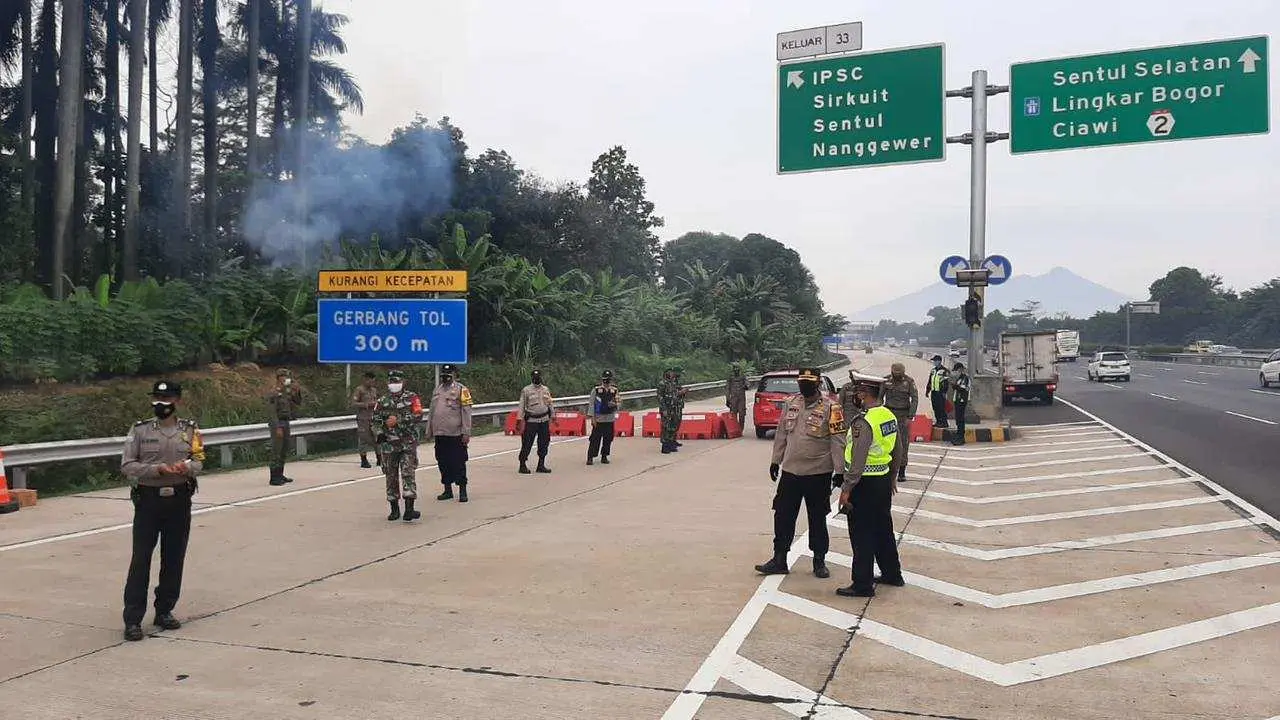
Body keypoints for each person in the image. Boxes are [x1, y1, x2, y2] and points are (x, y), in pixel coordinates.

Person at [119, 380, 205, 641]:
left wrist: (186, 468)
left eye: (166, 399)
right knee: (141, 559)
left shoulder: (189, 429)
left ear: (177, 401)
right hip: (149, 501)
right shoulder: (140, 430)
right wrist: (156, 470)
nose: (161, 403)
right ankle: (133, 619)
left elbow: (199, 460)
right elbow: (127, 465)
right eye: (157, 398)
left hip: (179, 500)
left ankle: (164, 610)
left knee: (174, 557)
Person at [754, 368, 846, 579]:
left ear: (817, 384)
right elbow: (781, 433)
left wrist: (839, 471)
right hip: (791, 471)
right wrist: (775, 460)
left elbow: (838, 441)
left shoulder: (832, 408)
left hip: (818, 473)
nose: (804, 386)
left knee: (817, 518)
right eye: (802, 382)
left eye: (808, 383)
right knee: (783, 515)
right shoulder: (791, 403)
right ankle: (779, 558)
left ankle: (819, 560)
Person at [836, 372, 904, 598]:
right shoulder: (888, 416)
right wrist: (892, 477)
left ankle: (862, 584)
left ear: (865, 394)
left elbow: (858, 458)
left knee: (861, 533)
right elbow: (898, 449)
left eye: (858, 392)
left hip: (863, 484)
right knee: (883, 529)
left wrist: (846, 488)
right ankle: (892, 574)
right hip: (882, 481)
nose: (855, 396)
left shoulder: (863, 422)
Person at [373, 370, 425, 521]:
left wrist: (399, 420)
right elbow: (375, 421)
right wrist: (379, 433)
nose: (394, 385)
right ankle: (394, 509)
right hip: (389, 445)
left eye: (396, 382)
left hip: (407, 443)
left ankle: (409, 509)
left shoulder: (412, 397)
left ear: (403, 382)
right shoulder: (382, 401)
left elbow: (418, 415)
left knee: (408, 473)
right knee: (391, 476)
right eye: (391, 382)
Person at [429, 364, 473, 502]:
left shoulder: (462, 390)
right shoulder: (437, 390)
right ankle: (447, 489)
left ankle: (462, 490)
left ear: (454, 375)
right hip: (440, 433)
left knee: (458, 462)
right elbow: (432, 411)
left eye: (449, 374)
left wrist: (466, 432)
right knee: (443, 461)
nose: (446, 376)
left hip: (456, 434)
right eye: (444, 374)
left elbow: (466, 412)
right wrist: (429, 430)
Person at [265, 367, 303, 486]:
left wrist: (297, 391)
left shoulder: (286, 392)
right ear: (279, 378)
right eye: (284, 377)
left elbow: (297, 402)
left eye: (287, 377)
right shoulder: (274, 393)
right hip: (278, 423)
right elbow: (272, 412)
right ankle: (274, 477)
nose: (286, 379)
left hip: (286, 422)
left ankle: (280, 474)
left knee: (284, 449)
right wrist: (277, 427)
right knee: (277, 449)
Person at [882, 362, 919, 482]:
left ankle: (902, 472)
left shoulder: (909, 382)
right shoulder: (886, 380)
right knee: (887, 442)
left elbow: (914, 399)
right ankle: (887, 469)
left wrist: (910, 416)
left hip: (903, 415)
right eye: (895, 373)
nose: (897, 375)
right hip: (888, 414)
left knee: (903, 443)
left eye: (899, 373)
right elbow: (879, 397)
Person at [517, 369, 553, 474]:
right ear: (532, 378)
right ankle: (522, 465)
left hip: (544, 420)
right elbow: (521, 406)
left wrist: (553, 415)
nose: (537, 379)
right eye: (535, 377)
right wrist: (519, 420)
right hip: (531, 421)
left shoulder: (545, 389)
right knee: (527, 443)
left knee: (544, 443)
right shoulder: (526, 390)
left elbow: (550, 403)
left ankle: (541, 465)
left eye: (538, 377)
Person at [587, 370, 620, 465]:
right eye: (605, 379)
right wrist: (592, 418)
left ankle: (604, 456)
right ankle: (590, 457)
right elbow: (591, 404)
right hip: (599, 419)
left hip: (609, 418)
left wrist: (614, 404)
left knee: (608, 438)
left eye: (608, 379)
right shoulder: (596, 390)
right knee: (595, 439)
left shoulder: (614, 390)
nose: (607, 381)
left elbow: (619, 403)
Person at [351, 371, 381, 469]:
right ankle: (364, 460)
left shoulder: (374, 390)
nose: (372, 383)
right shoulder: (359, 390)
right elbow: (354, 403)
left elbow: (377, 401)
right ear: (365, 380)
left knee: (377, 437)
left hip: (373, 417)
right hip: (363, 418)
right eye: (370, 381)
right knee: (363, 438)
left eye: (373, 381)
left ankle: (379, 458)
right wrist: (366, 405)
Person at [657, 367, 687, 454]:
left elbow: (674, 394)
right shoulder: (662, 383)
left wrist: (682, 393)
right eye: (670, 373)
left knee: (673, 426)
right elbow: (660, 397)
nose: (672, 374)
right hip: (667, 408)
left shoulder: (672, 383)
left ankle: (670, 443)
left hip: (674, 407)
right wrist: (664, 409)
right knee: (666, 427)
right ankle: (665, 445)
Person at [950, 362, 971, 445]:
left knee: (960, 419)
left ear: (960, 370)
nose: (956, 372)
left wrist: (955, 386)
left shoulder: (965, 378)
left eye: (957, 371)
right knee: (958, 419)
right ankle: (958, 434)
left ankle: (961, 437)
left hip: (962, 400)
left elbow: (964, 388)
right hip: (957, 400)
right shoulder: (959, 378)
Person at [927, 355, 950, 429]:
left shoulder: (944, 371)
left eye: (935, 361)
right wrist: (927, 390)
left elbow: (946, 382)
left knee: (941, 408)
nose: (934, 362)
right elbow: (930, 381)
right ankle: (938, 422)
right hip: (934, 392)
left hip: (940, 392)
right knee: (935, 407)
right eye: (934, 361)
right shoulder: (933, 370)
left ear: (939, 361)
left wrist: (944, 391)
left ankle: (944, 422)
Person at [725, 365, 748, 429]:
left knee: (741, 414)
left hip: (741, 398)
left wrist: (745, 386)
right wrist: (727, 399)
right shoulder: (730, 378)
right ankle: (734, 428)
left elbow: (748, 384)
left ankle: (741, 428)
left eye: (737, 369)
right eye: (735, 369)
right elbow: (727, 388)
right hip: (733, 398)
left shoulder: (743, 377)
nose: (736, 370)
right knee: (733, 414)